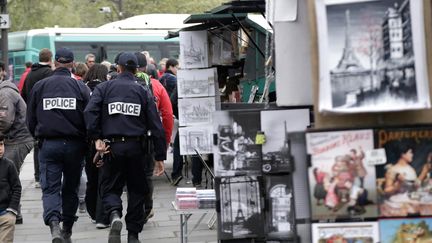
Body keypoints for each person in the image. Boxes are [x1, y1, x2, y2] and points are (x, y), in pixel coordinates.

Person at [84, 52, 167, 243]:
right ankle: (133, 234)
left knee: (110, 186)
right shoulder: (143, 91)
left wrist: (96, 138)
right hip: (137, 148)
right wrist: (160, 156)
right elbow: (156, 124)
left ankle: (114, 214)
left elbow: (90, 112)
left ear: (118, 68)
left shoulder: (104, 88)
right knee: (137, 190)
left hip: (111, 147)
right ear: (137, 70)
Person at [27, 47, 90, 242]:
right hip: (74, 145)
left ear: (55, 62)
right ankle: (67, 229)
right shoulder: (80, 87)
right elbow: (89, 117)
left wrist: (37, 137)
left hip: (49, 145)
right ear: (72, 64)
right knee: (70, 189)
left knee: (50, 188)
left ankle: (54, 224)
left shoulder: (40, 86)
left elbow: (30, 118)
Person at [134, 52, 173, 224]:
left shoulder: (116, 85)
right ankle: (146, 208)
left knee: (129, 177)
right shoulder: (156, 86)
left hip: (122, 139)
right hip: (148, 139)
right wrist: (163, 143)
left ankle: (128, 211)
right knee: (147, 175)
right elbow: (167, 115)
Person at [0, 61, 34, 224]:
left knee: (8, 176)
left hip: (17, 140)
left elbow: (4, 121)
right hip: (18, 138)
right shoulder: (6, 91)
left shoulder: (4, 93)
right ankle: (15, 212)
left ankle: (13, 213)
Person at [21, 48, 54, 189]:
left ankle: (37, 177)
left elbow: (23, 94)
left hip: (34, 114)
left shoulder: (30, 74)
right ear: (50, 59)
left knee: (37, 146)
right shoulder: (49, 74)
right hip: (48, 114)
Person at [82, 63, 110, 229]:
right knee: (103, 178)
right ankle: (101, 215)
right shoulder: (105, 89)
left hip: (87, 140)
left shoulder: (82, 88)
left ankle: (92, 211)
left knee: (91, 177)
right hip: (101, 139)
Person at [160, 59, 183, 185]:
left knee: (176, 143)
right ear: (172, 66)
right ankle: (177, 174)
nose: (178, 70)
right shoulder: (175, 80)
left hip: (167, 113)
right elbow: (173, 99)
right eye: (177, 67)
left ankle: (176, 173)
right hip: (177, 113)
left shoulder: (161, 79)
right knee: (179, 144)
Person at [0, 134, 22, 243]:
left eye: (1, 144)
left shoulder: (9, 165)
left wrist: (12, 210)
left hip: (5, 215)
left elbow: (17, 188)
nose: (0, 148)